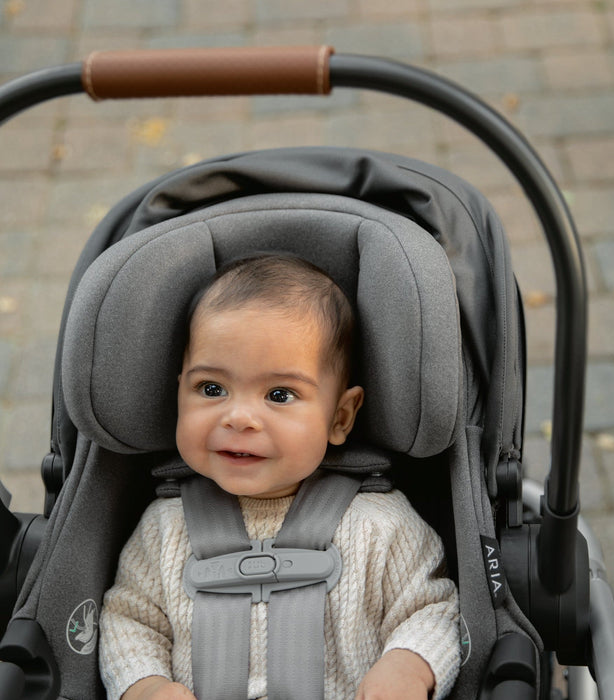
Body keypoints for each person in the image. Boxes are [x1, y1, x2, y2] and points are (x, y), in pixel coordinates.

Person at [99, 254, 460, 700]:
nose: (239, 417)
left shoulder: (381, 525)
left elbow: (430, 608)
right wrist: (147, 686)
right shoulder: (164, 528)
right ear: (178, 394)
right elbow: (130, 619)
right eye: (211, 389)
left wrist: (407, 666)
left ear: (340, 417)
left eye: (279, 394)